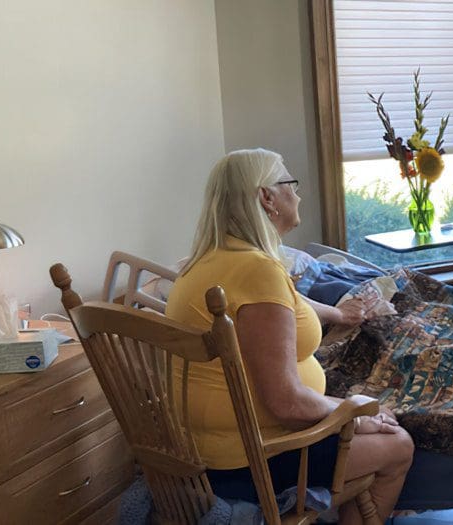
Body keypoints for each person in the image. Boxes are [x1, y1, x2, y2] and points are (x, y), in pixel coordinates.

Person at [166, 148, 413, 523]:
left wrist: (338, 314)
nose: (297, 195)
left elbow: (286, 304)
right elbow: (287, 404)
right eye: (290, 185)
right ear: (267, 197)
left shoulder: (207, 261)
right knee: (397, 445)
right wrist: (355, 412)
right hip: (251, 461)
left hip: (203, 450)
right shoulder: (257, 270)